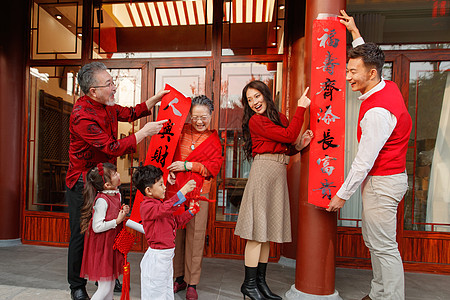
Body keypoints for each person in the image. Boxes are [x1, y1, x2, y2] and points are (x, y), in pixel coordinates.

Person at [326, 11, 412, 300]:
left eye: (352, 72)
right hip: (389, 180)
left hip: (382, 183)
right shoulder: (387, 86)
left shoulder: (377, 111)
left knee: (384, 247)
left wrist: (342, 194)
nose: (347, 76)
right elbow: (368, 57)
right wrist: (354, 32)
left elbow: (364, 161)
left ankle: (390, 297)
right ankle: (378, 294)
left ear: (371, 73)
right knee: (376, 242)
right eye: (347, 70)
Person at [66, 61, 168, 300]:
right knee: (82, 236)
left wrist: (156, 99)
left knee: (109, 233)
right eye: (109, 84)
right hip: (84, 182)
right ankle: (77, 287)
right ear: (93, 91)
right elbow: (112, 147)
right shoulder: (82, 116)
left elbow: (131, 112)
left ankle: (106, 277)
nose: (114, 87)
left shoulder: (107, 104)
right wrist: (143, 133)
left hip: (107, 182)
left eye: (113, 82)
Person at [234, 80, 313, 300]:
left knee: (266, 234)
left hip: (277, 172)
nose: (254, 103)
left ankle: (260, 284)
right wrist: (302, 107)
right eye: (249, 100)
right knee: (256, 234)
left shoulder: (280, 118)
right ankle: (249, 285)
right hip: (263, 172)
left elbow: (287, 144)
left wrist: (298, 146)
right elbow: (288, 135)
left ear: (265, 95)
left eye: (256, 96)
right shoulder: (256, 121)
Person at [167, 95, 224, 300]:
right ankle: (178, 277)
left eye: (204, 116)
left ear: (211, 115)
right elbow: (169, 155)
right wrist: (170, 171)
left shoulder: (215, 140)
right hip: (176, 191)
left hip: (199, 193)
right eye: (196, 116)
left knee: (196, 236)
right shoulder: (180, 133)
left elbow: (213, 168)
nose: (200, 121)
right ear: (190, 115)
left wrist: (189, 165)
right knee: (175, 234)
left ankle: (192, 283)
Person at [133, 165, 200, 300]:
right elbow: (166, 208)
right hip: (157, 259)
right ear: (148, 190)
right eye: (161, 184)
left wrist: (190, 212)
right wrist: (183, 191)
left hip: (166, 258)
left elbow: (174, 223)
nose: (165, 187)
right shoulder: (148, 206)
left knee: (166, 291)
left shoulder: (159, 205)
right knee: (156, 293)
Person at [79, 162, 130, 300]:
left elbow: (116, 214)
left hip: (111, 245)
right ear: (107, 185)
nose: (118, 174)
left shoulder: (116, 194)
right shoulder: (102, 200)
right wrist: (117, 221)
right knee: (105, 286)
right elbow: (97, 227)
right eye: (114, 174)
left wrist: (123, 211)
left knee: (111, 284)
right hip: (102, 247)